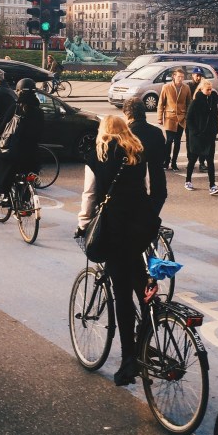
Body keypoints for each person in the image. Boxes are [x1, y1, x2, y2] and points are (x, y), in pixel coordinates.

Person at [77, 115, 156, 387]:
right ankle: (149, 330)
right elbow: (145, 188)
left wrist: (83, 224)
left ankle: (129, 360)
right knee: (140, 282)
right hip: (140, 226)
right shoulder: (137, 151)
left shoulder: (97, 154)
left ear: (104, 131)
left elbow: (90, 195)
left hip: (115, 229)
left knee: (122, 296)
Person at [0, 78, 44, 199]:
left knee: (2, 166)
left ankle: (5, 197)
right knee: (27, 173)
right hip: (32, 153)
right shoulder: (39, 111)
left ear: (19, 91)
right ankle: (25, 201)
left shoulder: (15, 108)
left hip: (15, 151)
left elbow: (3, 125)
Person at [121, 97, 167, 218]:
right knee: (150, 222)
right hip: (157, 186)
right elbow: (164, 157)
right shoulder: (157, 132)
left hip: (135, 189)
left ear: (127, 114)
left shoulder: (126, 136)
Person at [185, 77, 218, 194]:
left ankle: (212, 185)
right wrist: (195, 132)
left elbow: (215, 117)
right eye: (208, 90)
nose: (210, 92)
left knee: (210, 160)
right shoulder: (195, 102)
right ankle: (188, 180)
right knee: (193, 159)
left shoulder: (212, 101)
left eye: (211, 90)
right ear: (201, 89)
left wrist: (215, 130)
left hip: (209, 135)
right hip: (197, 136)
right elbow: (189, 119)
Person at [157, 68, 191, 172]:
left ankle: (174, 163)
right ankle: (166, 162)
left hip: (181, 118)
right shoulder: (166, 87)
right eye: (179, 76)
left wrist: (187, 117)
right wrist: (159, 117)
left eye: (182, 77)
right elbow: (161, 103)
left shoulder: (186, 88)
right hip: (169, 117)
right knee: (169, 141)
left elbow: (189, 103)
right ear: (174, 76)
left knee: (177, 141)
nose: (180, 79)